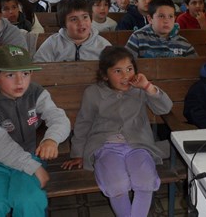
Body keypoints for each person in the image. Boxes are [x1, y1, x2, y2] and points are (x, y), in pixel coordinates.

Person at [61, 46, 172, 216]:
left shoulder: (140, 90)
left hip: (139, 145)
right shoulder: (93, 93)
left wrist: (148, 87)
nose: (125, 75)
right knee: (116, 184)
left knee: (145, 181)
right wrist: (78, 153)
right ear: (105, 75)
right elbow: (83, 123)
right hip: (106, 147)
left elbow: (164, 108)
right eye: (117, 71)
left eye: (129, 69)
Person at [0, 45, 70, 216]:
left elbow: (58, 117)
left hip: (30, 154)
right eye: (10, 74)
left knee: (28, 199)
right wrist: (34, 167)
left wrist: (51, 139)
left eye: (25, 73)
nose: (20, 81)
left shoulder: (36, 93)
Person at [34, 0, 111, 62]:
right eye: (74, 19)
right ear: (64, 24)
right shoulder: (53, 43)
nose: (81, 23)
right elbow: (39, 65)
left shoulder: (102, 45)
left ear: (91, 19)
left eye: (85, 17)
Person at [125, 0, 197, 58]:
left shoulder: (182, 43)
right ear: (150, 19)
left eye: (170, 16)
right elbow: (127, 63)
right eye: (161, 16)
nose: (166, 21)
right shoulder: (138, 38)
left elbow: (194, 66)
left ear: (175, 18)